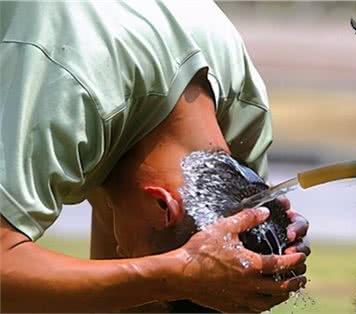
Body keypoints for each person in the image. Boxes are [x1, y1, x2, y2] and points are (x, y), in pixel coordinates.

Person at [0, 1, 310, 312]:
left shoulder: (239, 105)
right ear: (164, 205)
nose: (121, 251)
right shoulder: (64, 94)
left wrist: (273, 240)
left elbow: (224, 266)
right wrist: (172, 274)